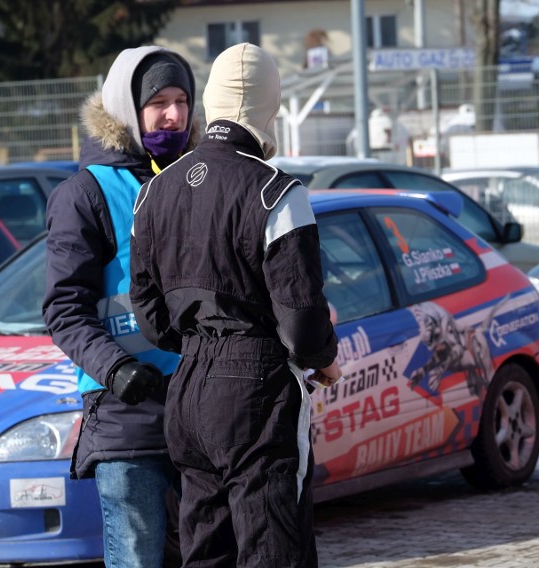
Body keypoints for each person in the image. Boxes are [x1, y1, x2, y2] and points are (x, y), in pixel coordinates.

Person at [129, 42, 342, 567]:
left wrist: (203, 344)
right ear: (270, 106)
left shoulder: (154, 193)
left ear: (212, 103)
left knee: (205, 550)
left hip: (188, 389)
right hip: (258, 387)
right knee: (273, 546)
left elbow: (150, 316)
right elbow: (302, 323)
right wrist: (324, 356)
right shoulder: (276, 192)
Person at [42, 45, 198, 568]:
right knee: (137, 555)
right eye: (158, 102)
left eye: (182, 100)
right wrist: (117, 368)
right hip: (126, 412)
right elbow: (65, 307)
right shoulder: (85, 193)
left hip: (204, 402)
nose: (174, 115)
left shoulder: (199, 178)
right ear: (127, 107)